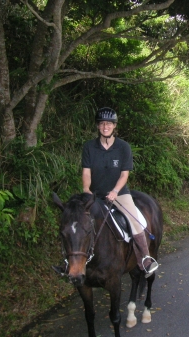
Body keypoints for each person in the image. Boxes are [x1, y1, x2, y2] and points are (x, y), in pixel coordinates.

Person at [53, 107, 158, 277]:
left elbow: (125, 175)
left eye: (109, 123)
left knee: (136, 223)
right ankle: (69, 264)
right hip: (95, 196)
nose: (105, 127)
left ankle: (144, 260)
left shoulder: (123, 147)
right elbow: (86, 172)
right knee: (77, 225)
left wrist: (115, 191)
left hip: (120, 194)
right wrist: (86, 190)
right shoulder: (89, 147)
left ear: (114, 126)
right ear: (97, 126)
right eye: (102, 124)